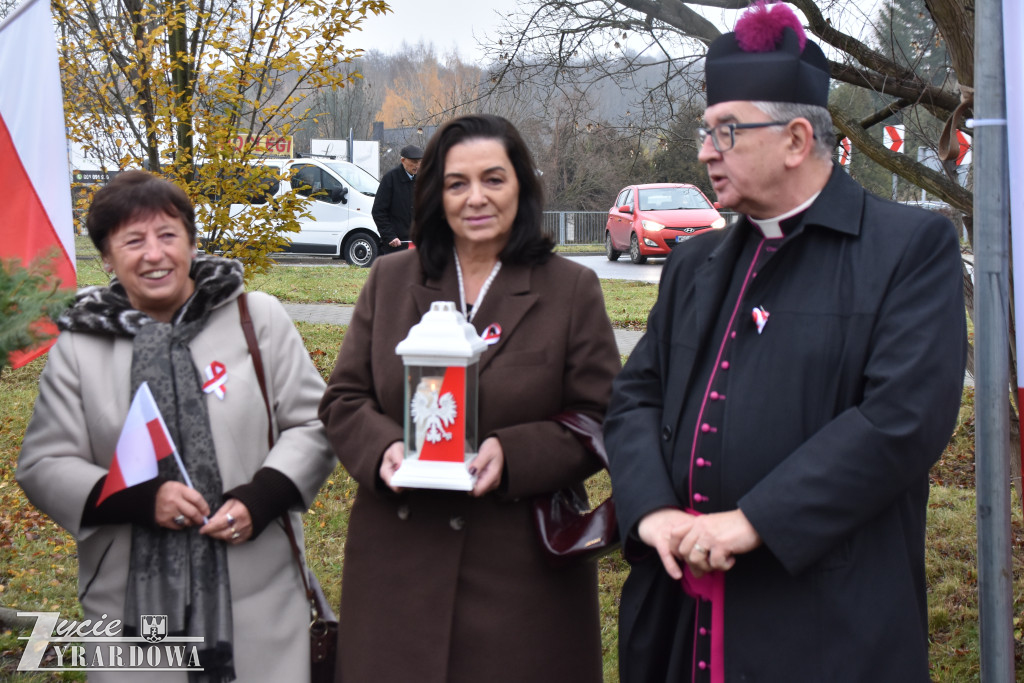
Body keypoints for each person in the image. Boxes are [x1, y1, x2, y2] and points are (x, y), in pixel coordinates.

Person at [604, 4, 968, 682]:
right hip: (684, 618)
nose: (705, 151)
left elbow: (902, 419)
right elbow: (635, 399)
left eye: (725, 131)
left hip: (826, 623)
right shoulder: (693, 263)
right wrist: (651, 512)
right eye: (705, 131)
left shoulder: (909, 249)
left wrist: (752, 521)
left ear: (797, 139)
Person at [319, 114, 620, 683]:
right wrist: (384, 448)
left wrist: (514, 453)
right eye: (457, 183)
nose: (475, 197)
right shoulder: (389, 279)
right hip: (399, 568)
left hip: (521, 574)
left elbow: (600, 414)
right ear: (435, 192)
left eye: (493, 179)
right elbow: (344, 399)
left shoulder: (569, 289)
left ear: (521, 186)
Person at [17, 170, 335, 682]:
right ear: (106, 257)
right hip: (129, 612)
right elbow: (44, 463)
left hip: (260, 596)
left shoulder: (257, 318)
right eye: (133, 241)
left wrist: (261, 499)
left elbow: (313, 423)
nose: (154, 254)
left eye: (168, 234)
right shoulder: (81, 344)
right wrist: (143, 500)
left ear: (191, 240)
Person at [372, 144, 422, 254]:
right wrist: (389, 236)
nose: (417, 166)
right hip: (396, 243)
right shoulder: (390, 179)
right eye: (414, 162)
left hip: (418, 243)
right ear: (403, 160)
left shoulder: (422, 180)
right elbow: (378, 211)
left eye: (420, 162)